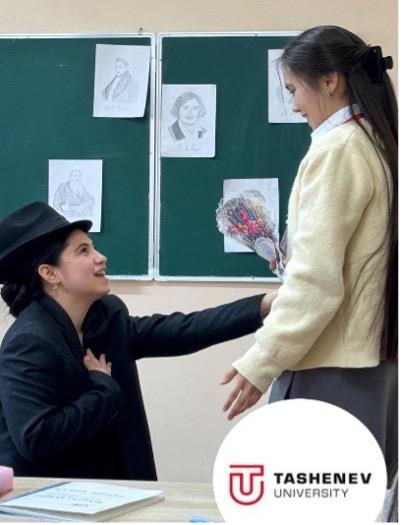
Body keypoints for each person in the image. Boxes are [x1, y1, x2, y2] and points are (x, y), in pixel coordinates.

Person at [221, 26, 398, 486]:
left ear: (329, 81)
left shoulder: (338, 150)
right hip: (369, 365)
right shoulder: (376, 141)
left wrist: (261, 362)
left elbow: (317, 284)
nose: (295, 104)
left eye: (293, 90)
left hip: (329, 367)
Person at [0, 201, 275, 480]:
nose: (100, 257)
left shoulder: (104, 320)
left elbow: (183, 329)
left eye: (93, 247)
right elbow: (36, 438)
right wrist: (103, 389)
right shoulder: (28, 342)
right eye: (84, 251)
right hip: (43, 496)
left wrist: (266, 304)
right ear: (50, 273)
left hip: (109, 490)